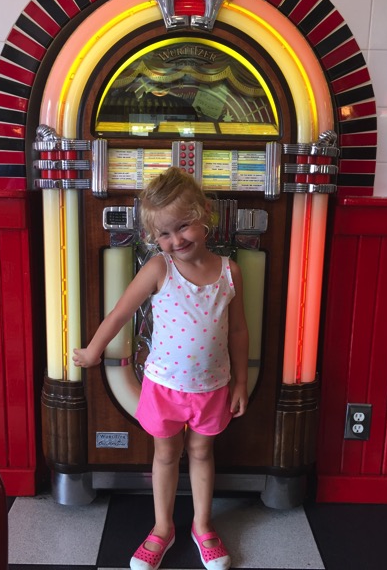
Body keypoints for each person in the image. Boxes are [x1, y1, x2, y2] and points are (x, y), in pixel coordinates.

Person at [73, 166, 249, 570]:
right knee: (166, 456)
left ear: (204, 214)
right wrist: (94, 351)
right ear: (154, 237)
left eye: (183, 226)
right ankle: (162, 527)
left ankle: (202, 526)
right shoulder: (158, 268)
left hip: (212, 386)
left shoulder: (230, 272)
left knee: (202, 452)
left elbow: (239, 331)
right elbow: (120, 313)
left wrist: (241, 381)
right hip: (163, 387)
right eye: (164, 234)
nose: (176, 240)